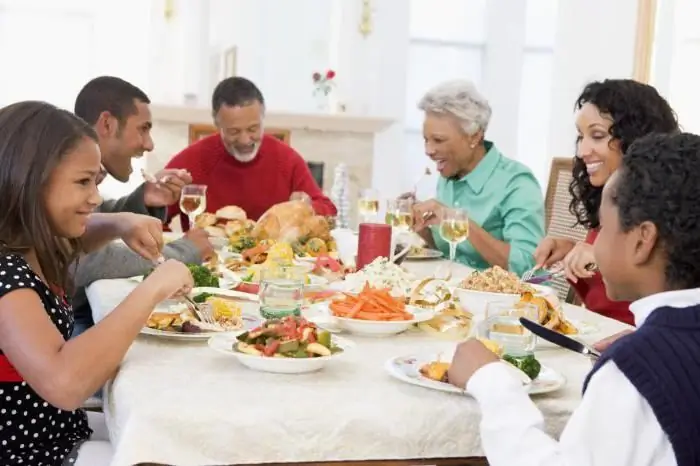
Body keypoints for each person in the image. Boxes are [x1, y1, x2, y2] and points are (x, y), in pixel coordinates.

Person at [448, 132, 700, 466]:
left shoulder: (634, 372)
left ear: (642, 242)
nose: (594, 242)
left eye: (604, 228)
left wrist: (491, 382)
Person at [0, 101, 194, 465]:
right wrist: (151, 289)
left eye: (96, 182)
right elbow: (64, 384)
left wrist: (121, 221)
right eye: (82, 182)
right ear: (30, 183)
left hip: (58, 431)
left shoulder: (28, 241)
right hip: (30, 452)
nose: (94, 198)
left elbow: (76, 236)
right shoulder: (6, 275)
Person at [71, 76, 213, 336]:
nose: (150, 144)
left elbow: (90, 221)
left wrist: (143, 200)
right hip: (66, 326)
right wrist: (184, 252)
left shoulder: (76, 172)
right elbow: (83, 261)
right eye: (143, 129)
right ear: (107, 124)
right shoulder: (57, 170)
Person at [533, 79, 679, 325]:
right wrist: (570, 251)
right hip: (597, 337)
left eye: (597, 136)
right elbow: (600, 301)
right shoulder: (610, 197)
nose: (582, 151)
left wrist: (603, 258)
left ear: (635, 138)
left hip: (642, 345)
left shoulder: (673, 209)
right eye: (581, 136)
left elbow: (670, 302)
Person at [410, 80, 545, 275]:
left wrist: (459, 222)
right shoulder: (449, 173)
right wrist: (422, 228)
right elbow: (453, 254)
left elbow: (527, 267)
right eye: (426, 139)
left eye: (438, 140)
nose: (428, 150)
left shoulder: (517, 183)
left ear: (474, 136)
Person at [164, 76, 337, 228]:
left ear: (263, 117)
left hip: (273, 261)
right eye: (234, 132)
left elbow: (328, 209)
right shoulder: (191, 161)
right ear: (217, 125)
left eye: (253, 129)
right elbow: (151, 216)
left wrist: (308, 207)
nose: (245, 140)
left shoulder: (286, 158)